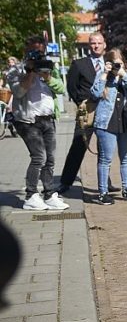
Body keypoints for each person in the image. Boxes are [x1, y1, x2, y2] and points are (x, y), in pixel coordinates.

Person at [10, 40, 69, 210]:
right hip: (28, 121)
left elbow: (60, 88)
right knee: (39, 158)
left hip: (48, 119)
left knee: (50, 159)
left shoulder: (48, 67)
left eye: (41, 52)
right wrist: (30, 72)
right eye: (35, 52)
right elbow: (19, 91)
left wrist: (48, 77)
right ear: (26, 51)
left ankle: (49, 194)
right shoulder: (16, 71)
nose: (39, 56)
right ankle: (31, 196)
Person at [57, 32, 109, 194]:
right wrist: (81, 102)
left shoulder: (110, 63)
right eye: (93, 43)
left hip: (107, 111)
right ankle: (65, 182)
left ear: (104, 45)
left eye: (99, 43)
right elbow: (72, 87)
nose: (96, 46)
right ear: (89, 45)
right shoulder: (79, 64)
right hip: (88, 111)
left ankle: (105, 183)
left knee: (105, 148)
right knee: (78, 146)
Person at [90, 48, 127, 205]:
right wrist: (105, 74)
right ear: (108, 64)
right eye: (114, 63)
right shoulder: (102, 77)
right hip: (106, 123)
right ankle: (103, 192)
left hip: (126, 123)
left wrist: (123, 74)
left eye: (120, 63)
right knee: (106, 159)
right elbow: (94, 93)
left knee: (126, 157)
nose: (117, 67)